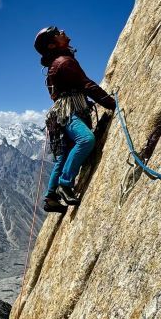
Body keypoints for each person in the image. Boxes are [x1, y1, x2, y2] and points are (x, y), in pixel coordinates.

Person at [34, 26, 116, 212]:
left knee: (63, 154)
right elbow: (86, 85)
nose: (62, 31)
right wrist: (110, 103)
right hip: (71, 111)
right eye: (57, 32)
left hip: (61, 115)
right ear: (53, 44)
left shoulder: (56, 63)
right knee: (85, 139)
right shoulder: (64, 62)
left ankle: (51, 197)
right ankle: (65, 183)